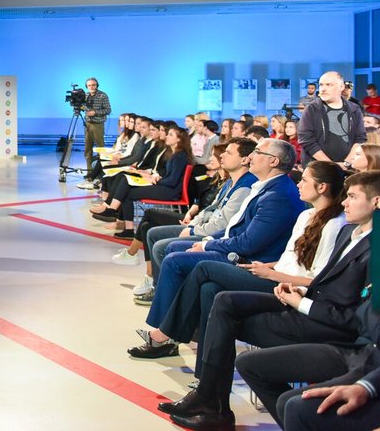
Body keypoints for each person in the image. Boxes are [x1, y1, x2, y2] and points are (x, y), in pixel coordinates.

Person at [157, 170, 380, 430]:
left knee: (213, 290)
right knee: (218, 299)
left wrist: (299, 299)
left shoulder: (368, 243)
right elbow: (323, 281)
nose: (344, 202)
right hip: (302, 297)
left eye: (352, 196)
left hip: (326, 322)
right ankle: (210, 398)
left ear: (376, 202)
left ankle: (208, 396)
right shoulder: (349, 232)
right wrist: (296, 290)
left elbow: (352, 311)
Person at [129, 161, 348, 379]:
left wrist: (272, 274)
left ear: (322, 187)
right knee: (209, 289)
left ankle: (166, 334)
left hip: (286, 288)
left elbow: (318, 280)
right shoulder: (307, 216)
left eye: (305, 180)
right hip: (271, 272)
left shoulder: (333, 225)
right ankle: (206, 377)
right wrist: (269, 266)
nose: (299, 184)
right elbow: (291, 258)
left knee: (203, 268)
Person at [139, 138, 306, 339]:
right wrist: (207, 241)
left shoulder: (278, 195)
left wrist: (208, 245)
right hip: (240, 250)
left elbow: (248, 243)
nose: (251, 156)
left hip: (253, 261)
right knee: (177, 254)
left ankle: (165, 332)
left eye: (257, 152)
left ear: (273, 161)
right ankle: (171, 329)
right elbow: (234, 227)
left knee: (175, 259)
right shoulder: (264, 187)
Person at [133, 138, 258, 303]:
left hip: (215, 236)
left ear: (244, 159)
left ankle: (166, 294)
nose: (222, 156)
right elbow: (210, 209)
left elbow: (223, 224)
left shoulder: (244, 187)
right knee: (152, 232)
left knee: (161, 244)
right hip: (202, 226)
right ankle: (158, 288)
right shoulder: (231, 182)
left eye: (228, 153)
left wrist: (193, 230)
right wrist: (193, 224)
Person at [93, 126, 191, 240]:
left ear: (179, 139)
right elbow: (168, 175)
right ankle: (118, 218)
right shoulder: (173, 154)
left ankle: (121, 222)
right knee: (125, 183)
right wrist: (155, 177)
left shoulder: (180, 156)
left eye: (170, 135)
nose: (167, 137)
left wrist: (156, 180)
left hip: (170, 191)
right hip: (165, 186)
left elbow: (172, 181)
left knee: (128, 193)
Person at [298, 71, 367, 165]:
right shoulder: (311, 109)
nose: (323, 89)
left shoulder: (354, 109)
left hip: (348, 167)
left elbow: (360, 138)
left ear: (341, 87)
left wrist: (347, 163)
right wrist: (331, 165)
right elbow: (306, 140)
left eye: (328, 85)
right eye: (321, 85)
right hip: (318, 168)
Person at [82, 77, 111, 177]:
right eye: (89, 85)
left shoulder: (103, 95)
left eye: (93, 85)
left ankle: (101, 172)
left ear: (97, 85)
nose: (91, 87)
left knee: (100, 149)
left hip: (98, 124)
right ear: (87, 86)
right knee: (87, 149)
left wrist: (95, 112)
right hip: (87, 124)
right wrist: (82, 107)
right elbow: (83, 107)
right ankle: (89, 171)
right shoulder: (85, 95)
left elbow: (108, 110)